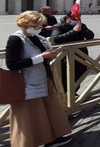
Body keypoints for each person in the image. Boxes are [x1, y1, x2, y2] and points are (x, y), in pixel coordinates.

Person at [5, 11, 72, 147]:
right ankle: (27, 143)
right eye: (37, 26)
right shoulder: (15, 39)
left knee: (48, 112)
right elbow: (11, 64)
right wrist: (41, 57)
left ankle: (52, 138)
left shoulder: (38, 38)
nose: (39, 28)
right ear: (27, 24)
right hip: (26, 84)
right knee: (29, 117)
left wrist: (50, 54)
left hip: (44, 80)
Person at [51, 11, 95, 94]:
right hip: (65, 57)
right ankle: (64, 95)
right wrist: (73, 31)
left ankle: (73, 92)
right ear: (67, 18)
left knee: (80, 74)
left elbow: (91, 36)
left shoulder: (81, 25)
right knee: (65, 76)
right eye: (74, 19)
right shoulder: (58, 26)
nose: (76, 20)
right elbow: (56, 38)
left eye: (78, 18)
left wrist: (82, 29)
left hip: (81, 56)